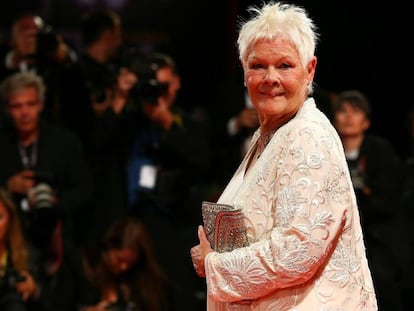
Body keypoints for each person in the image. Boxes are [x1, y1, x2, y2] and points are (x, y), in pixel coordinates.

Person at [190, 2, 377, 310]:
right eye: (258, 65)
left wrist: (214, 265)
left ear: (310, 70)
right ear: (244, 71)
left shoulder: (307, 135)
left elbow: (297, 249)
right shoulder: (269, 136)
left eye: (285, 65)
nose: (270, 78)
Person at [0, 71, 94, 308]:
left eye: (30, 104)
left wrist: (52, 201)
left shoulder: (64, 142)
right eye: (17, 106)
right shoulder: (2, 145)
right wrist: (7, 187)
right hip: (11, 241)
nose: (24, 112)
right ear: (7, 109)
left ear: (41, 104)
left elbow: (84, 190)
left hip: (57, 240)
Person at [125, 52, 211, 310]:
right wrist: (121, 97)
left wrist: (166, 124)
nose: (158, 94)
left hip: (176, 225)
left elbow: (203, 162)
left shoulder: (190, 123)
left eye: (163, 86)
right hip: (132, 225)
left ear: (176, 83)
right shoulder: (129, 122)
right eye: (152, 87)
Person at [332, 90, 405, 310]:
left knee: (380, 279)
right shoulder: (328, 151)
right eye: (343, 111)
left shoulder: (380, 151)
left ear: (366, 122)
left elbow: (389, 200)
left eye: (355, 111)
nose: (348, 117)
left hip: (376, 236)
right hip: (336, 235)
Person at [47, 217, 173, 311]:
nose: (124, 267)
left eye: (130, 263)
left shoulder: (133, 277)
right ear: (108, 247)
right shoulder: (78, 265)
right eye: (120, 260)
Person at [0, 188, 42, 311]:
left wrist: (34, 291)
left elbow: (50, 303)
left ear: (10, 220)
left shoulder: (28, 256)